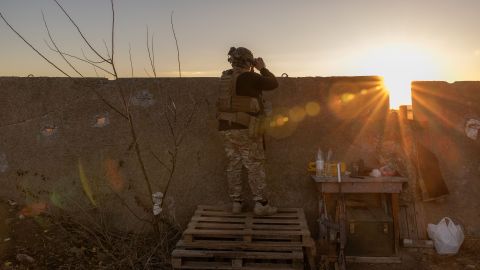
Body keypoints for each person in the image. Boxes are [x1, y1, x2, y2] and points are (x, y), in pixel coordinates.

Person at [217, 47, 278, 215]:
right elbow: (273, 83)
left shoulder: (225, 78)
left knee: (234, 164)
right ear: (249, 62)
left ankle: (236, 203)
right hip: (245, 128)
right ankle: (262, 205)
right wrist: (262, 68)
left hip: (226, 128)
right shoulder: (250, 77)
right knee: (254, 165)